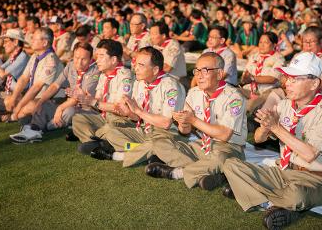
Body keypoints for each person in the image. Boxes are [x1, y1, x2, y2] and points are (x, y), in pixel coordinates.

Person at [222, 52, 322, 230]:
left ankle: (260, 196)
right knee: (231, 164)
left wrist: (277, 127)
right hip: (283, 172)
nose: (287, 83)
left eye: (295, 79)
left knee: (297, 196)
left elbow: (309, 154)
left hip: (311, 179)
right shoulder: (285, 104)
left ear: (314, 83)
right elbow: (257, 139)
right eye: (287, 78)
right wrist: (265, 127)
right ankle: (275, 204)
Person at [143, 52, 247, 191]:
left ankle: (177, 172)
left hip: (227, 147)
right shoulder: (194, 92)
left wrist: (193, 119)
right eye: (197, 70)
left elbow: (224, 135)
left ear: (219, 74)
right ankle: (212, 173)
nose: (199, 75)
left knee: (221, 159)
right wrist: (183, 123)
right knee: (161, 144)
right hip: (201, 144)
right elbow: (185, 131)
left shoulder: (234, 97)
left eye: (205, 70)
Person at [90, 46, 186, 162]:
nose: (135, 68)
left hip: (165, 134)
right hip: (143, 131)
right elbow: (137, 117)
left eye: (141, 65)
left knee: (158, 144)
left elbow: (166, 123)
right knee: (112, 133)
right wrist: (128, 113)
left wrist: (138, 111)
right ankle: (147, 152)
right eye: (135, 64)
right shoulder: (140, 83)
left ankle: (118, 155)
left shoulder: (171, 87)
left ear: (155, 70)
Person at [9, 41, 99, 144]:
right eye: (76, 57)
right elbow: (55, 85)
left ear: (91, 58)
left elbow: (79, 97)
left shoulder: (95, 71)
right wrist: (41, 102)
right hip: (70, 103)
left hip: (87, 110)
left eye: (84, 59)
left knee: (69, 111)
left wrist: (60, 109)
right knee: (44, 103)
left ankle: (40, 128)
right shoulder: (70, 66)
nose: (79, 62)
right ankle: (33, 129)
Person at [71, 39, 134, 152]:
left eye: (101, 56)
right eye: (97, 56)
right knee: (78, 119)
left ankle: (97, 142)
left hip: (121, 120)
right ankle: (100, 144)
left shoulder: (125, 76)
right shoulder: (103, 75)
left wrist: (93, 102)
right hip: (104, 118)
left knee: (109, 128)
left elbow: (119, 108)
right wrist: (86, 98)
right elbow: (98, 101)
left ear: (114, 59)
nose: (97, 60)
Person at [3, 27, 64, 124]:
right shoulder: (35, 56)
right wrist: (14, 98)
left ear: (44, 43)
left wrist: (19, 106)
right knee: (8, 99)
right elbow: (24, 78)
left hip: (52, 99)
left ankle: (13, 117)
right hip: (36, 96)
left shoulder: (51, 60)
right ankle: (22, 116)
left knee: (30, 105)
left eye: (34, 39)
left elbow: (37, 87)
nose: (31, 41)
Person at [240, 32, 285, 114]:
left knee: (248, 106)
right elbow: (245, 75)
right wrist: (244, 78)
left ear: (274, 45)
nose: (262, 45)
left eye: (266, 42)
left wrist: (252, 78)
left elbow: (273, 79)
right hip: (250, 90)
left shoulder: (278, 58)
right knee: (233, 93)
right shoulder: (254, 56)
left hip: (267, 91)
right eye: (260, 42)